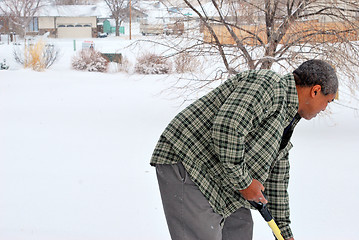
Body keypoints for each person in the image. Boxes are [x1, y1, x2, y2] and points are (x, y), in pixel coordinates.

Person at [150, 60, 338, 240]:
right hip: (190, 163)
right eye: (327, 101)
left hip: (224, 179)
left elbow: (276, 182)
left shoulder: (286, 121)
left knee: (240, 229)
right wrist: (245, 184)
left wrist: (285, 233)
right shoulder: (269, 85)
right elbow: (228, 127)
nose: (325, 108)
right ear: (315, 91)